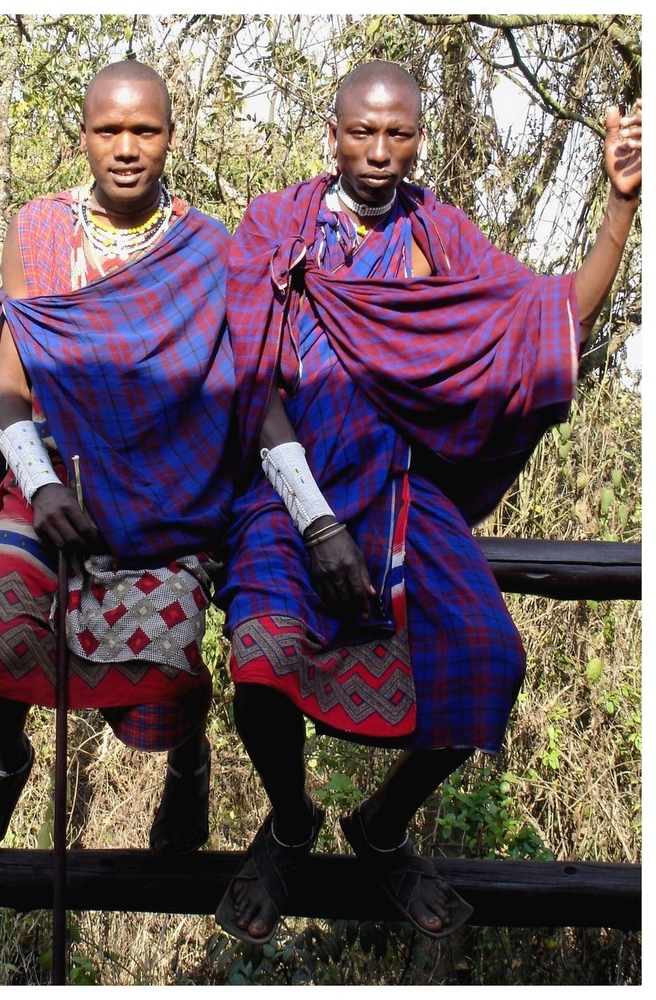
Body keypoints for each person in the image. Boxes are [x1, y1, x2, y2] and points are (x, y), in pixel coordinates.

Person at [214, 60, 642, 943]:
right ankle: (289, 823)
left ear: (418, 137)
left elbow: (548, 320)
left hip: (404, 493)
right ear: (329, 134)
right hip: (291, 489)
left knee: (491, 660)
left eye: (397, 133)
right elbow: (253, 380)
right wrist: (319, 521)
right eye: (360, 132)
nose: (378, 151)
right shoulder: (275, 227)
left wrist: (619, 208)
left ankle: (380, 829)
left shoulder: (438, 235)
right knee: (258, 660)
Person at [0, 60, 237, 861]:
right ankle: (7, 760)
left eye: (144, 130)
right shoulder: (38, 231)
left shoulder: (208, 248)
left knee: (162, 678)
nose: (127, 147)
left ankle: (187, 760)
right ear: (83, 138)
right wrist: (39, 488)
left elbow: (232, 390)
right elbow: (9, 388)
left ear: (170, 137)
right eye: (109, 129)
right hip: (49, 483)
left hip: (165, 499)